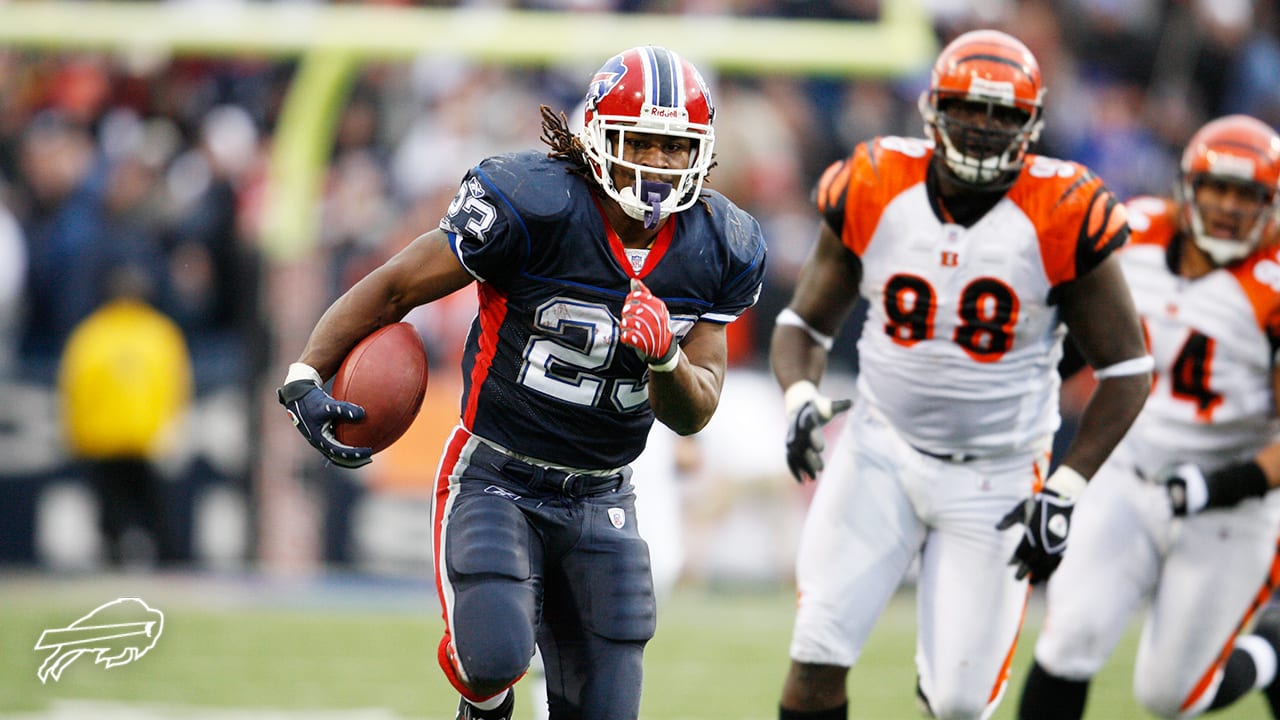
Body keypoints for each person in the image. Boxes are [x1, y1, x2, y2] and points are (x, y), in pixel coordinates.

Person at [277, 45, 766, 720]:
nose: (657, 165)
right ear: (595, 137)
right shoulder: (532, 204)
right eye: (641, 142)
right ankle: (486, 705)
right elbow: (396, 287)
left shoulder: (722, 243)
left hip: (602, 495)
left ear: (701, 154)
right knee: (492, 659)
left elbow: (694, 411)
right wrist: (308, 369)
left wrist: (667, 362)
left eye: (675, 148)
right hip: (496, 476)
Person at [769, 29, 1153, 720]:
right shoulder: (873, 181)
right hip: (878, 452)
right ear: (932, 109)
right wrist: (799, 394)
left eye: (1004, 114)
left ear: (1032, 124)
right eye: (969, 107)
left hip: (998, 477)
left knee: (959, 703)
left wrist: (1065, 487)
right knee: (816, 655)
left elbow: (1127, 369)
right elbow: (804, 325)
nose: (983, 126)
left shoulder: (1063, 208)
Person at [1015, 115, 1280, 719]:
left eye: (1247, 194)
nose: (1228, 207)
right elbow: (1075, 342)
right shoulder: (1131, 233)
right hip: (1127, 475)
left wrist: (1220, 484)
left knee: (1171, 697)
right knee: (1068, 639)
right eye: (1217, 187)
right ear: (1187, 186)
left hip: (1232, 501)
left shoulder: (1273, 282)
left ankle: (1271, 646)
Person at [58, 262, 192, 567]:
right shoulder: (158, 333)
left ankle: (119, 569)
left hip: (105, 440)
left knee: (114, 518)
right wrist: (173, 429)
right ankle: (167, 572)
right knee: (154, 517)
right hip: (145, 440)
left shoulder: (91, 334)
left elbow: (75, 390)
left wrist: (77, 435)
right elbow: (176, 386)